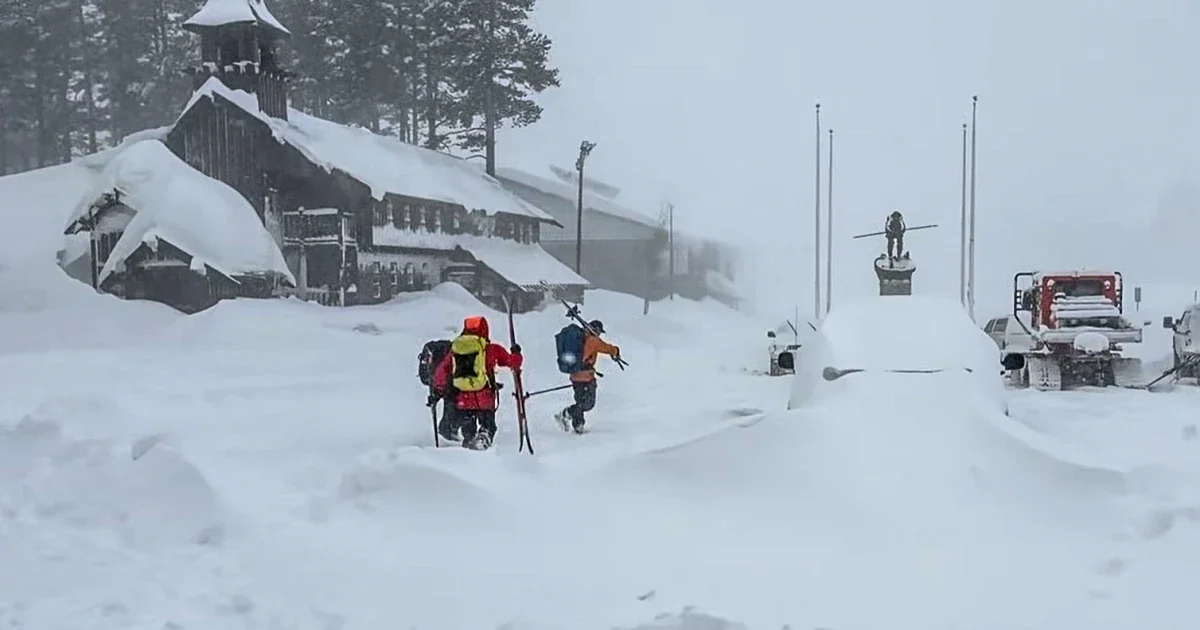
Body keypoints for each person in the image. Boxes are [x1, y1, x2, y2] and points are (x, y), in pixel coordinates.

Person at [430, 315, 523, 450]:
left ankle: (469, 443)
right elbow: (513, 362)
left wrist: (437, 391)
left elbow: (441, 374)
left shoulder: (455, 349)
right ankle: (483, 439)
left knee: (468, 425)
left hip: (462, 399)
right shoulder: (490, 349)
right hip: (484, 398)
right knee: (488, 425)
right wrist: (516, 353)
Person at [555, 319, 620, 434]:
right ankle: (565, 414)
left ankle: (578, 426)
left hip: (575, 375)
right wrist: (616, 351)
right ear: (596, 330)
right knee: (587, 404)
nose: (599, 335)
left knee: (580, 401)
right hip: (586, 377)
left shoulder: (582, 338)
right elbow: (605, 347)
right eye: (599, 332)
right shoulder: (593, 341)